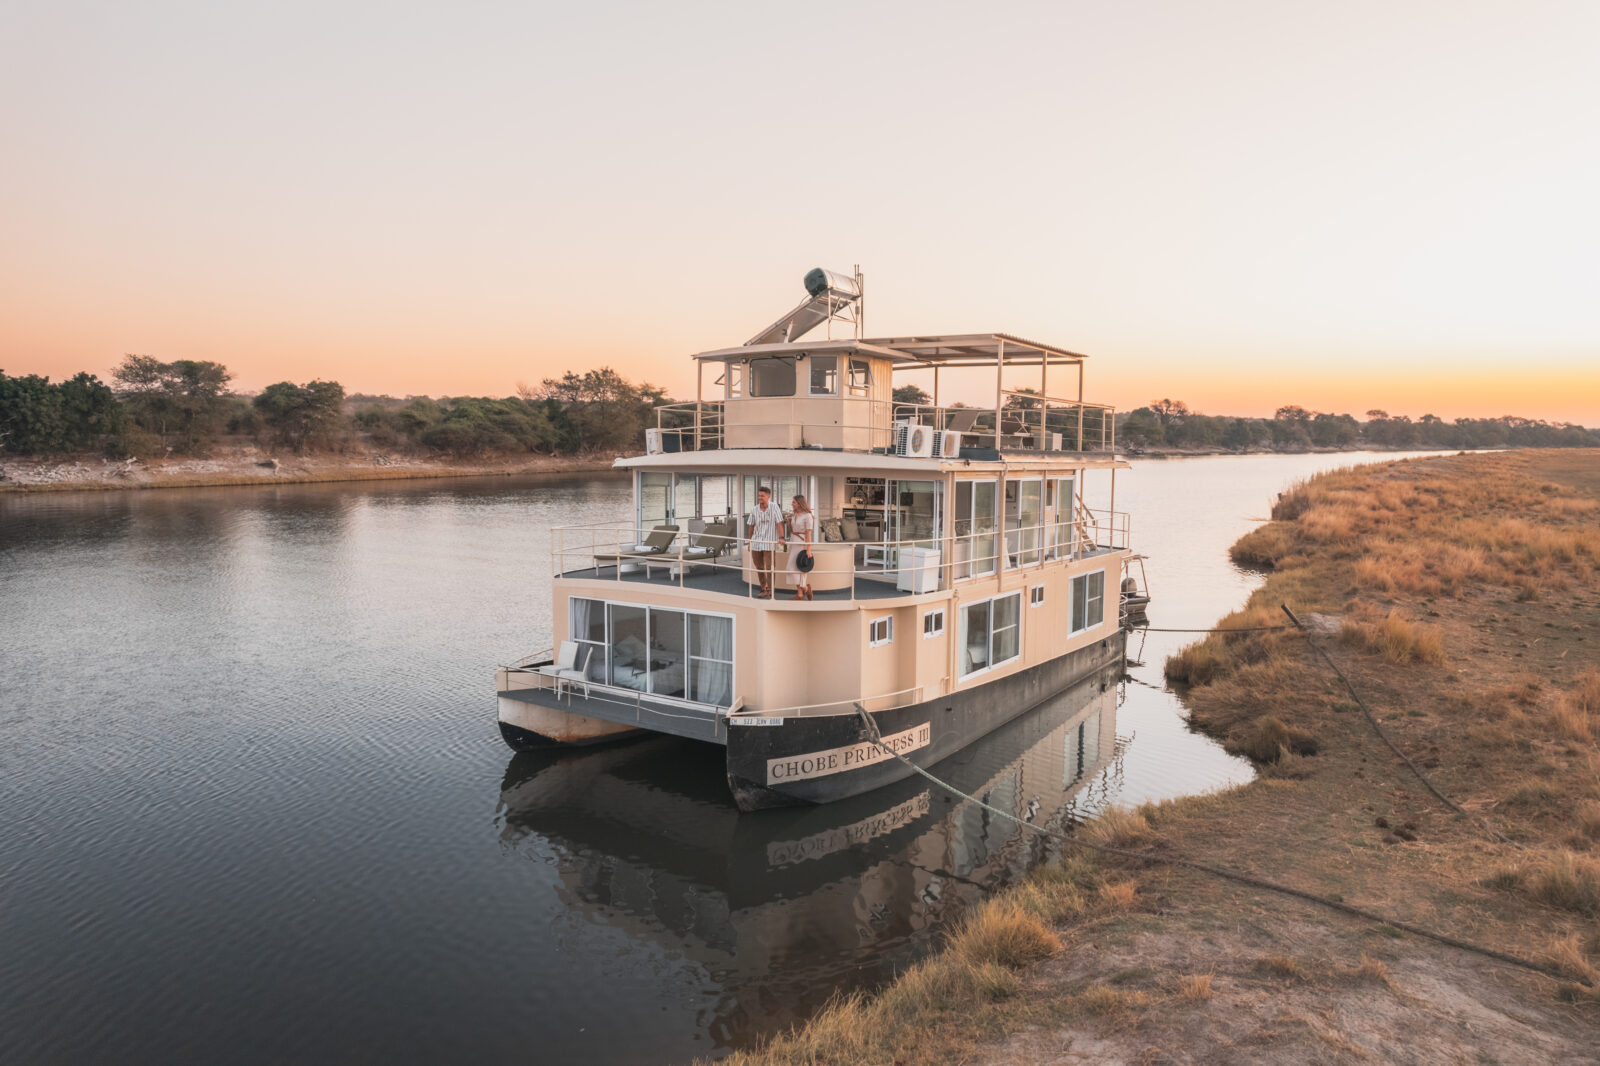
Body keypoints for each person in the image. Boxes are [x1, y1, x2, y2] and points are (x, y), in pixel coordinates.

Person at [745, 485, 781, 598]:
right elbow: (751, 526)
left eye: (762, 496)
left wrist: (782, 537)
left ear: (768, 496)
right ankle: (763, 588)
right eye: (759, 495)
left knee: (770, 567)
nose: (760, 497)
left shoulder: (774, 507)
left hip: (769, 543)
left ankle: (771, 589)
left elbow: (779, 523)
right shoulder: (754, 509)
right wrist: (750, 541)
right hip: (756, 542)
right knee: (759, 567)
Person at [784, 494, 815, 601]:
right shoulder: (795, 515)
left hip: (801, 543)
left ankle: (803, 591)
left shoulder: (808, 516)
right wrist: (788, 523)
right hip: (793, 542)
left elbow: (808, 534)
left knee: (799, 568)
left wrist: (808, 549)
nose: (792, 504)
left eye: (794, 502)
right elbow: (793, 530)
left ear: (799, 503)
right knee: (791, 568)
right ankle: (802, 592)